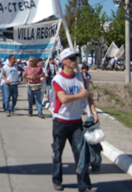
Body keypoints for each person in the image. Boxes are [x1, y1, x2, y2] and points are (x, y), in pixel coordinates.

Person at [51, 48, 99, 192]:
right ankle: (57, 179)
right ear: (64, 61)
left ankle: (84, 184)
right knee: (58, 152)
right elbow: (63, 99)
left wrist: (94, 112)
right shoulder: (58, 79)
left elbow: (88, 96)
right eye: (71, 58)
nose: (74, 61)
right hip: (61, 122)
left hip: (77, 122)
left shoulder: (80, 78)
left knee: (81, 154)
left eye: (75, 58)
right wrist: (80, 95)